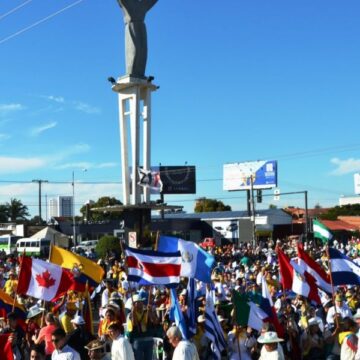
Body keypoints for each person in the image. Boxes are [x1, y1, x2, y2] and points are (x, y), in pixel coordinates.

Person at [116, 0, 158, 78]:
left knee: (142, 52)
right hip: (132, 27)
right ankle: (132, 72)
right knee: (135, 50)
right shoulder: (128, 3)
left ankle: (139, 73)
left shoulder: (141, 5)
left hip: (141, 28)